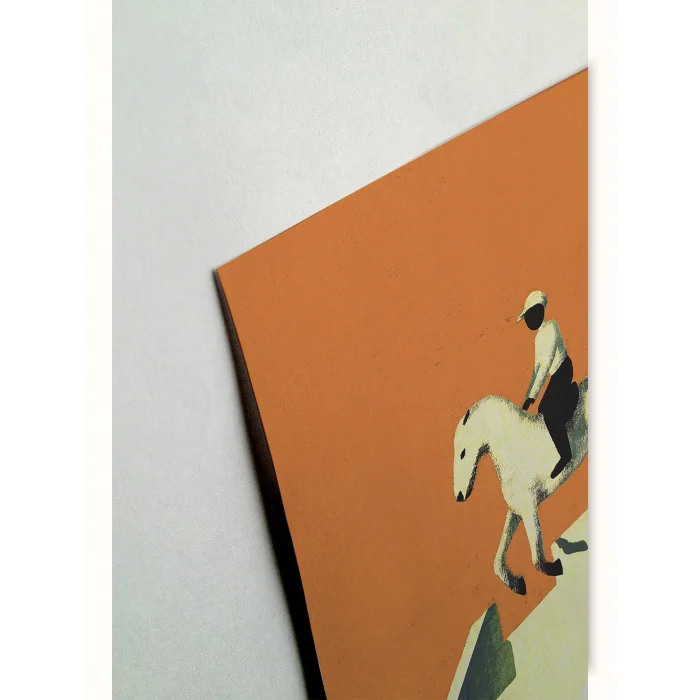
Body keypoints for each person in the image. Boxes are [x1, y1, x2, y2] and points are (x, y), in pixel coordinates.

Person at [517, 290, 579, 479]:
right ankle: (569, 396)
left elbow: (545, 365)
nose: (528, 321)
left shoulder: (551, 327)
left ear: (539, 311)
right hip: (556, 373)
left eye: (529, 316)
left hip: (563, 369)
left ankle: (566, 454)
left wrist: (534, 396)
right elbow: (537, 367)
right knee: (544, 408)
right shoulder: (538, 337)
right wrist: (529, 396)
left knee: (549, 412)